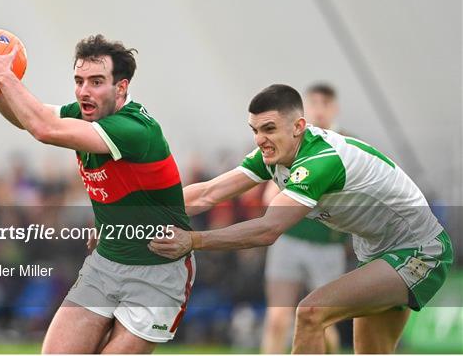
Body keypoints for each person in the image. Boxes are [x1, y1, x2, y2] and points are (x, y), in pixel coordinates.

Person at [149, 84, 453, 353]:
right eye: (254, 130)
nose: (259, 139)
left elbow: (268, 229)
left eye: (269, 129)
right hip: (376, 251)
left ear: (298, 126)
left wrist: (193, 240)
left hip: (419, 249)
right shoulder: (275, 155)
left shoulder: (320, 161)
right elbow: (208, 194)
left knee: (310, 311)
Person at [0, 34, 195, 354]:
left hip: (159, 270)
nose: (84, 91)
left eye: (96, 81)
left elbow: (44, 129)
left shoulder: (134, 128)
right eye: (79, 81)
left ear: (121, 88)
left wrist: (5, 75)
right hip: (108, 261)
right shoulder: (83, 113)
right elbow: (28, 117)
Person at [261, 83, 346, 354]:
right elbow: (268, 198)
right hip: (290, 240)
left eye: (325, 104)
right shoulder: (292, 146)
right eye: (314, 104)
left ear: (334, 109)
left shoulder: (345, 145)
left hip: (328, 246)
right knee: (277, 320)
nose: (319, 110)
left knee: (322, 324)